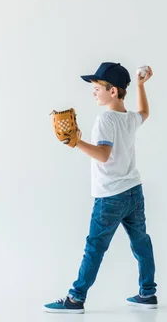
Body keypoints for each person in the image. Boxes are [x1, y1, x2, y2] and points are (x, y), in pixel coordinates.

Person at [44, 62, 157, 314]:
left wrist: (76, 142)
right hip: (134, 192)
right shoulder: (129, 118)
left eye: (97, 88)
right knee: (141, 242)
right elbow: (144, 112)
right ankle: (148, 293)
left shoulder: (106, 119)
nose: (93, 92)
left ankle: (75, 299)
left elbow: (104, 155)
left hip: (110, 196)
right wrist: (140, 86)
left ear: (113, 91)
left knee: (95, 246)